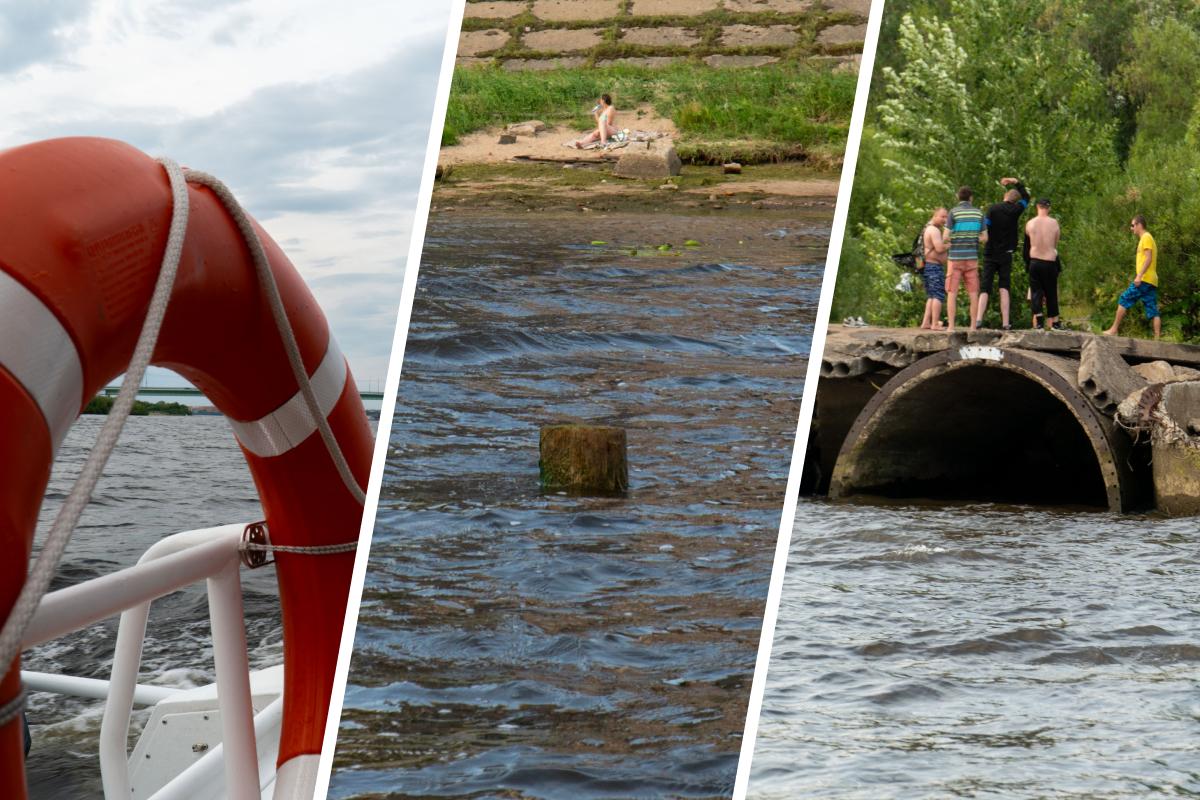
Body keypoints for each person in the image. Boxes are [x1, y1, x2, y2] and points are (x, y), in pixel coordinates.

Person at [977, 177, 1029, 330]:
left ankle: (979, 319)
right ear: (1016, 200)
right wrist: (1016, 181)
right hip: (1006, 253)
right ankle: (1005, 322)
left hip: (990, 252)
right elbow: (1026, 197)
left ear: (1005, 197)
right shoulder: (1016, 210)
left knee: (985, 286)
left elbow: (985, 228)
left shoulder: (992, 209)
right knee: (1004, 287)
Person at [1104, 215, 1161, 339]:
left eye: (1132, 225)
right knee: (1152, 308)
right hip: (1152, 280)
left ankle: (1113, 329)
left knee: (1124, 299)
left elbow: (1148, 258)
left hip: (1144, 279)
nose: (1131, 228)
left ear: (1139, 225)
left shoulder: (1146, 237)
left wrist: (1139, 276)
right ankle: (1157, 339)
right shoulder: (1148, 238)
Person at [945, 186, 987, 332]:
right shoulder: (978, 213)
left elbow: (945, 236)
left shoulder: (953, 213)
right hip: (972, 258)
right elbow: (984, 238)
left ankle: (950, 326)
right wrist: (974, 237)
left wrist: (952, 239)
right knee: (973, 293)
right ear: (971, 198)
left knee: (952, 292)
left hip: (955, 258)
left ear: (958, 197)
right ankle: (973, 326)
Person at [1025, 198, 1061, 330]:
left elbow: (1028, 242)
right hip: (1049, 261)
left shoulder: (1030, 223)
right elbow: (1055, 243)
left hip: (1035, 261)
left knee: (1036, 292)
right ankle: (1055, 322)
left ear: (1037, 207)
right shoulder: (1054, 223)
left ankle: (1039, 321)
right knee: (1051, 292)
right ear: (1049, 208)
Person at [919, 207, 949, 329]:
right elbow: (939, 248)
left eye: (946, 217)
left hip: (930, 267)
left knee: (932, 295)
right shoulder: (933, 230)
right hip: (934, 267)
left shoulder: (929, 228)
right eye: (942, 216)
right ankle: (935, 323)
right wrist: (950, 244)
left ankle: (926, 322)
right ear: (935, 215)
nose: (945, 219)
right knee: (938, 295)